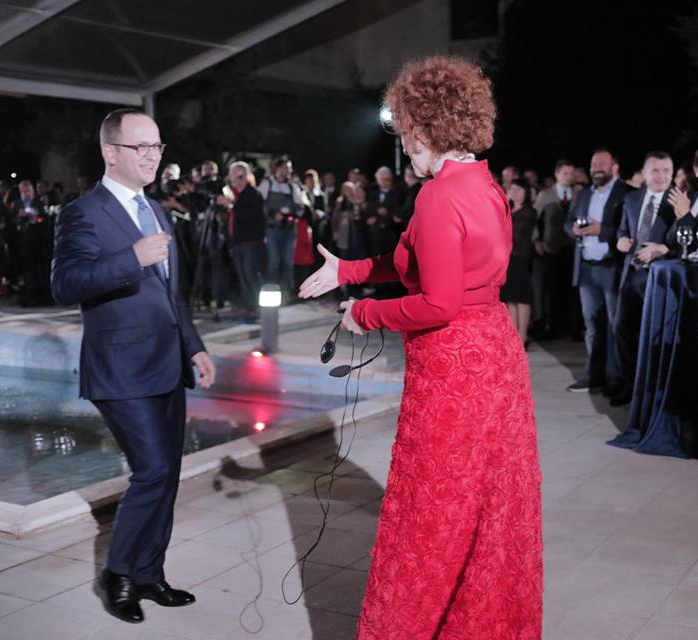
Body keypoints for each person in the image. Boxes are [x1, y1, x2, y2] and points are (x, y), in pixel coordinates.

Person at [299, 55, 542, 639]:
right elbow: (419, 261)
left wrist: (365, 313)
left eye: (406, 131)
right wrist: (348, 271)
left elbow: (437, 302)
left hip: (453, 367)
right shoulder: (485, 185)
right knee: (485, 512)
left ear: (428, 126)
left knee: (429, 514)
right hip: (495, 355)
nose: (404, 145)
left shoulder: (437, 197)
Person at [51, 108, 216, 624]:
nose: (152, 157)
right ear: (111, 151)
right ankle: (118, 574)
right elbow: (65, 284)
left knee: (168, 474)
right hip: (119, 367)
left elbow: (171, 294)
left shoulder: (157, 210)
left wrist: (194, 347)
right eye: (140, 146)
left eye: (157, 146)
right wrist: (132, 259)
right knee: (153, 470)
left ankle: (149, 574)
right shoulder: (83, 213)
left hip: (167, 363)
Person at [611, 151, 676, 406]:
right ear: (645, 173)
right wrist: (620, 241)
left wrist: (663, 248)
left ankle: (650, 392)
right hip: (630, 274)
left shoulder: (678, 202)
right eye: (655, 171)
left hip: (658, 277)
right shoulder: (632, 198)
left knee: (652, 337)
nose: (661, 176)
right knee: (621, 330)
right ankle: (630, 385)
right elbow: (622, 230)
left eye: (666, 171)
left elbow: (684, 240)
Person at [564, 148, 633, 392]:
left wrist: (601, 230)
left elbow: (629, 231)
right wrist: (573, 230)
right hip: (586, 268)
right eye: (594, 164)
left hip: (612, 268)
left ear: (614, 167)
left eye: (602, 164)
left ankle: (616, 378)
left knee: (615, 325)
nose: (597, 169)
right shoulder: (584, 194)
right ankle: (594, 375)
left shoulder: (626, 193)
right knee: (592, 325)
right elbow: (568, 222)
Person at [532, 159, 578, 340]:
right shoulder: (546, 195)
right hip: (551, 248)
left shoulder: (578, 194)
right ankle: (551, 327)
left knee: (572, 289)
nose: (569, 177)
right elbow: (534, 218)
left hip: (573, 248)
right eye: (565, 173)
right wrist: (537, 239)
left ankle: (574, 329)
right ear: (557, 174)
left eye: (571, 174)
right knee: (551, 289)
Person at [219, 161, 265, 321]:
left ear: (245, 176)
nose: (235, 180)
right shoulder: (235, 195)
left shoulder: (253, 194)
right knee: (243, 278)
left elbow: (250, 216)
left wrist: (231, 205)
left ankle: (260, 308)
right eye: (233, 176)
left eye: (239, 176)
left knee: (251, 277)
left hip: (251, 243)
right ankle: (249, 307)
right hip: (237, 242)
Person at [257, 157, 301, 297]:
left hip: (289, 229)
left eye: (289, 168)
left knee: (287, 261)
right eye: (286, 168)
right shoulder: (267, 184)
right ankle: (270, 290)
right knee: (273, 260)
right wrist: (272, 214)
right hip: (272, 229)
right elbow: (258, 204)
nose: (288, 171)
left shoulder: (293, 187)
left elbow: (300, 207)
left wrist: (291, 214)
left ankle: (287, 292)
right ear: (278, 168)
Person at [502, 179, 538, 347]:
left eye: (519, 190)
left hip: (521, 257)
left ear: (526, 193)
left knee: (522, 297)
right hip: (507, 257)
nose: (515, 192)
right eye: (513, 189)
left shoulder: (529, 212)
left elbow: (517, 233)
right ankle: (514, 335)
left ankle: (523, 336)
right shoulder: (507, 210)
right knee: (510, 298)